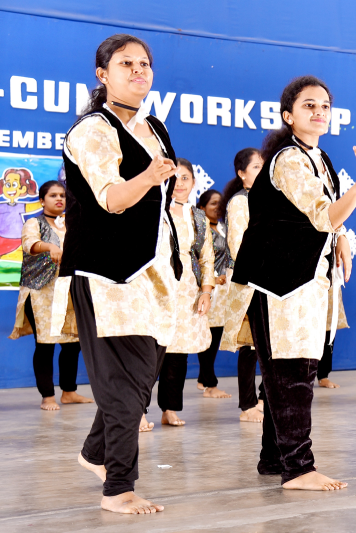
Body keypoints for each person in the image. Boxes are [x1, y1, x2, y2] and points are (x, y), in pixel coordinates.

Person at [223, 75, 356, 491]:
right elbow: (324, 214)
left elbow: (326, 221)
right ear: (288, 115)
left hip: (303, 279)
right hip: (279, 281)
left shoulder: (317, 157)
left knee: (289, 370)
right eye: (309, 105)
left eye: (324, 105)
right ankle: (299, 468)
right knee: (292, 372)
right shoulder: (289, 158)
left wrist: (341, 238)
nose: (319, 111)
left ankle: (274, 458)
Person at [58, 33, 181, 514]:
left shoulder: (155, 128)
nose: (138, 70)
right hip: (108, 272)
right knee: (125, 382)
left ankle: (95, 453)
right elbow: (111, 199)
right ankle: (118, 488)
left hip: (154, 272)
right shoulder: (92, 129)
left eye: (144, 63)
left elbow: (160, 210)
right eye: (126, 63)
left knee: (141, 377)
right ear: (102, 74)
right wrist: (148, 176)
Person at [9, 180, 91, 411]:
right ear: (41, 200)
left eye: (63, 195)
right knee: (45, 345)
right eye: (53, 195)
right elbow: (30, 245)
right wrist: (49, 247)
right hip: (40, 293)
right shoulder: (33, 223)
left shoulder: (73, 224)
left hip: (69, 293)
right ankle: (47, 397)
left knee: (73, 344)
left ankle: (69, 392)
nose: (59, 199)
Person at [154, 158, 215, 427]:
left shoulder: (198, 217)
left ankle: (169, 409)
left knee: (178, 353)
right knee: (150, 352)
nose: (179, 183)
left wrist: (206, 292)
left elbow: (207, 258)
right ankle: (136, 412)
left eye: (185, 178)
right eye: (173, 178)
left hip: (188, 288)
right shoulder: (154, 209)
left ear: (193, 182)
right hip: (157, 286)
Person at [220, 148, 266, 423]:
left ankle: (263, 398)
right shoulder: (239, 202)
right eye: (256, 167)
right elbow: (238, 246)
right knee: (249, 346)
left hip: (267, 280)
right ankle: (247, 405)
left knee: (265, 344)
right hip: (249, 280)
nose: (262, 171)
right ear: (241, 173)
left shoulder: (266, 198)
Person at [195, 188, 232, 399]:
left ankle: (203, 378)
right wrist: (211, 280)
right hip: (208, 289)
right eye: (212, 203)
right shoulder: (200, 231)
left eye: (220, 203)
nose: (217, 207)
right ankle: (210, 384)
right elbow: (197, 260)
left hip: (224, 292)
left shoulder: (225, 228)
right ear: (202, 207)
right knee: (207, 337)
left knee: (216, 336)